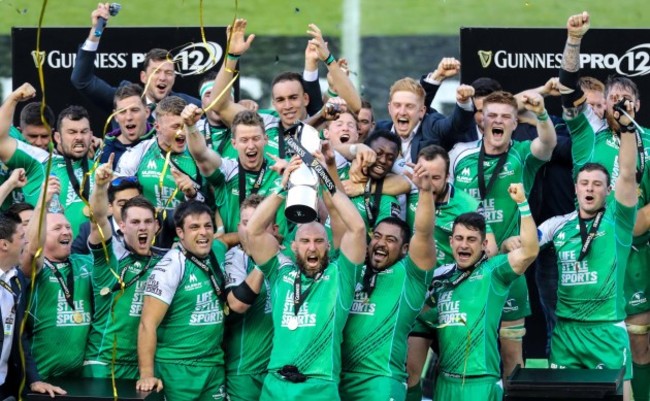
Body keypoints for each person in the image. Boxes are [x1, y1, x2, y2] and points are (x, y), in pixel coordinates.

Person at [558, 12, 650, 401]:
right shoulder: (585, 136)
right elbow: (565, 88)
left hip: (634, 253)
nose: (618, 106)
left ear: (638, 104)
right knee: (579, 349)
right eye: (613, 100)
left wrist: (625, 230)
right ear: (603, 105)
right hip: (585, 253)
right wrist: (574, 41)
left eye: (626, 100)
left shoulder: (647, 140)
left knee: (638, 344)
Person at [449, 90, 556, 378]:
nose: (498, 120)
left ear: (513, 123)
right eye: (492, 115)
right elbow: (444, 203)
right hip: (464, 269)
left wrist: (542, 115)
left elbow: (547, 144)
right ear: (481, 120)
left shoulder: (521, 154)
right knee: (462, 349)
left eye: (505, 117)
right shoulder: (460, 155)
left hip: (508, 267)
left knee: (512, 358)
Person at [245, 154, 367, 400]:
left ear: (329, 245)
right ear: (293, 246)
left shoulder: (340, 275)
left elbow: (358, 228)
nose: (312, 248)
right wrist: (283, 187)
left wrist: (323, 176)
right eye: (305, 241)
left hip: (319, 385)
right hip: (275, 385)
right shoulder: (281, 272)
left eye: (319, 241)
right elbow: (253, 230)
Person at [339, 156, 437, 401]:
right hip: (338, 378)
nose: (381, 243)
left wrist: (425, 192)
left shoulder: (411, 277)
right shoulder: (354, 269)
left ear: (405, 249)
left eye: (390, 240)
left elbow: (424, 233)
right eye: (378, 236)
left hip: (381, 381)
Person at [404, 145, 498, 400]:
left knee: (458, 367)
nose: (430, 183)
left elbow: (490, 246)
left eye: (436, 177)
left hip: (455, 292)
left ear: (448, 177)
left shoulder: (466, 203)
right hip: (421, 294)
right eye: (424, 175)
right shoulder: (408, 194)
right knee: (411, 372)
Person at [430, 184, 539, 400]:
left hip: (481, 382)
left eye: (471, 240)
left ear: (484, 244)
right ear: (451, 242)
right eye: (459, 239)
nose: (464, 245)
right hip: (444, 383)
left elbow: (529, 251)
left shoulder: (493, 271)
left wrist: (523, 205)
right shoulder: (439, 278)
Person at [207, 20, 357, 160]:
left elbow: (355, 108)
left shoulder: (324, 124)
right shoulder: (263, 122)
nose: (287, 106)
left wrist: (360, 149)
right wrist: (231, 56)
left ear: (305, 98)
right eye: (280, 100)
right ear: (273, 103)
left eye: (293, 98)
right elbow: (219, 105)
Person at [137, 201, 229, 400]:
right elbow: (147, 324)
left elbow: (229, 239)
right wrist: (146, 374)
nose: (203, 233)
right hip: (177, 368)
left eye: (207, 226)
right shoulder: (170, 265)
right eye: (194, 227)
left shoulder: (217, 250)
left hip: (213, 366)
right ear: (180, 232)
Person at [83, 155, 162, 379]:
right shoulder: (110, 258)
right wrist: (99, 186)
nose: (142, 228)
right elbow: (97, 219)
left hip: (143, 364)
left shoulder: (165, 263)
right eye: (135, 223)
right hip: (103, 362)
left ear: (156, 225)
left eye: (148, 222)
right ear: (123, 225)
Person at [70, 3, 200, 118]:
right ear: (143, 77)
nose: (162, 78)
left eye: (168, 73)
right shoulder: (123, 100)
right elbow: (82, 80)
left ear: (174, 78)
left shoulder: (188, 106)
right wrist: (96, 30)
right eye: (156, 71)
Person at [22, 176, 93, 380]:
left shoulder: (85, 263)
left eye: (68, 227)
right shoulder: (37, 266)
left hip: (79, 379)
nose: (66, 232)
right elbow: (32, 248)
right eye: (57, 228)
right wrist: (43, 203)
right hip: (41, 378)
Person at [183, 105, 287, 238]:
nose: (251, 146)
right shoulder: (227, 171)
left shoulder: (280, 170)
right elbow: (201, 154)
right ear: (234, 143)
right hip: (234, 252)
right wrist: (191, 127)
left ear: (265, 139)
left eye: (256, 138)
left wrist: (292, 173)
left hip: (275, 251)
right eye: (244, 140)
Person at [115, 95, 207, 242]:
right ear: (157, 127)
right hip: (145, 240)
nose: (182, 132)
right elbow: (118, 200)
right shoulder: (138, 153)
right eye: (176, 127)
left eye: (184, 125)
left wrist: (192, 194)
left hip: (183, 243)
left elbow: (211, 208)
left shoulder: (198, 154)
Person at [0, 211, 66, 399]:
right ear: (4, 244)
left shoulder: (17, 279)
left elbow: (19, 337)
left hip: (6, 386)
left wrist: (34, 379)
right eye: (22, 237)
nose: (26, 242)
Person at [222, 194, 276, 401]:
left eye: (260, 223)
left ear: (274, 228)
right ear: (239, 227)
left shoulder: (290, 255)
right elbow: (236, 303)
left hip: (279, 373)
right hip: (243, 372)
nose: (252, 230)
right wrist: (265, 261)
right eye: (247, 223)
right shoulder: (234, 258)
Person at [375, 77, 475, 163]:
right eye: (397, 105)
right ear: (389, 108)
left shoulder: (432, 126)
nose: (402, 112)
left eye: (409, 106)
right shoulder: (378, 131)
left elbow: (455, 125)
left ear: (422, 111)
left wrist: (463, 103)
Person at [0, 83, 49, 211]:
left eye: (44, 136)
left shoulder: (54, 160)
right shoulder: (12, 139)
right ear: (19, 131)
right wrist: (13, 98)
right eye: (32, 136)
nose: (39, 142)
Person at [71, 175, 143, 255]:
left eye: (135, 203)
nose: (130, 209)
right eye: (122, 204)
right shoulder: (88, 230)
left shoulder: (154, 228)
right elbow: (72, 260)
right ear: (110, 207)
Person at [100, 83, 153, 168]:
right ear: (115, 116)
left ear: (147, 112)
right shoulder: (106, 149)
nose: (128, 117)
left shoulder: (160, 142)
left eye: (134, 110)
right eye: (122, 112)